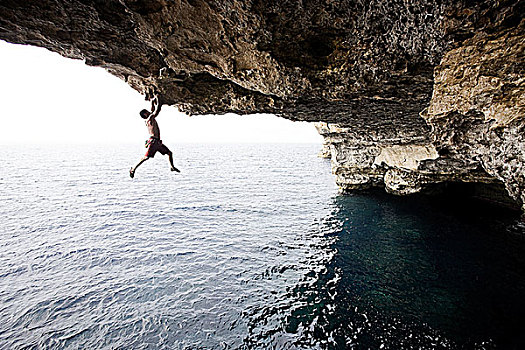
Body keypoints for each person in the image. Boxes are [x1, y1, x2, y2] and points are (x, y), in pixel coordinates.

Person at [130, 95, 180, 178]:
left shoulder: (148, 119)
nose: (149, 111)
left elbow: (152, 109)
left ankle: (172, 167)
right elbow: (157, 111)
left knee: (169, 153)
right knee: (146, 157)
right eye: (147, 111)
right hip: (153, 142)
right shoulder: (150, 118)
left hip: (157, 142)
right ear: (145, 114)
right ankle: (133, 169)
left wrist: (153, 101)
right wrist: (159, 101)